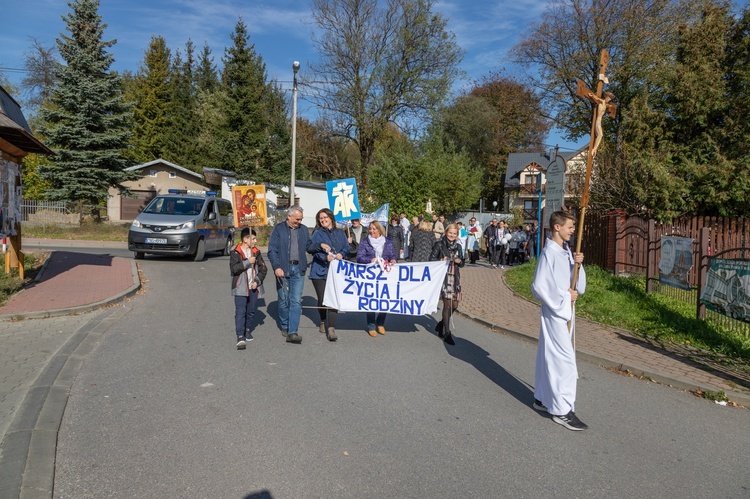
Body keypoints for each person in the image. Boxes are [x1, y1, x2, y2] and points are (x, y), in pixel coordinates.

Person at [531, 210, 588, 431]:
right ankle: (562, 411)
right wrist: (565, 296)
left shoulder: (564, 252)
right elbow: (539, 286)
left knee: (548, 354)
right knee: (564, 361)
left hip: (564, 310)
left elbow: (575, 284)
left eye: (574, 227)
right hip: (556, 312)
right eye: (570, 227)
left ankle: (542, 397)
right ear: (557, 227)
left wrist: (578, 264)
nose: (573, 231)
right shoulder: (549, 253)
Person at [267, 205, 313, 344]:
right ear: (289, 216)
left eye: (301, 219)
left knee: (295, 300)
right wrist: (276, 267)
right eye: (297, 219)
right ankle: (285, 325)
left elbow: (309, 246)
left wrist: (320, 246)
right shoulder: (279, 229)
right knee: (283, 300)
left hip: (298, 270)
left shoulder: (304, 230)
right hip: (283, 270)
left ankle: (293, 331)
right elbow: (272, 250)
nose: (299, 222)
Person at [308, 208, 349, 342]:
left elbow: (346, 247)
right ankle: (323, 319)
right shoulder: (317, 233)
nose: (323, 220)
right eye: (320, 218)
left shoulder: (340, 233)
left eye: (325, 217)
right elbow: (313, 249)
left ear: (331, 218)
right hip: (319, 271)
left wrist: (342, 254)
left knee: (333, 298)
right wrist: (324, 258)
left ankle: (331, 327)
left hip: (336, 272)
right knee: (322, 299)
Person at [357, 221, 397, 336]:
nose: (372, 231)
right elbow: (359, 257)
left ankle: (380, 323)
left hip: (384, 275)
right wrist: (370, 260)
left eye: (374, 229)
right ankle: (371, 325)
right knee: (371, 299)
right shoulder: (365, 242)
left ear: (380, 230)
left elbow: (392, 255)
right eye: (370, 228)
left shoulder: (388, 241)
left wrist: (393, 260)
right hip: (371, 274)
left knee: (384, 298)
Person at [230, 228, 267, 349]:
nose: (256, 241)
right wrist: (247, 262)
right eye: (253, 239)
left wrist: (257, 281)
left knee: (250, 310)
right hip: (240, 287)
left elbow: (263, 269)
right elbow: (234, 269)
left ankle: (247, 329)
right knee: (240, 311)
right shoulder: (236, 252)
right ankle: (240, 336)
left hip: (253, 286)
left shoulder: (256, 252)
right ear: (245, 239)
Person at [431, 224, 465, 346]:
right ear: (446, 233)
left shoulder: (459, 246)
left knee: (454, 305)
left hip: (454, 278)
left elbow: (463, 263)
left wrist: (459, 261)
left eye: (454, 233)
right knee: (447, 305)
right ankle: (447, 333)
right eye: (450, 233)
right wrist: (441, 260)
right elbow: (431, 260)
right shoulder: (439, 244)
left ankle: (440, 325)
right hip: (443, 278)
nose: (452, 235)